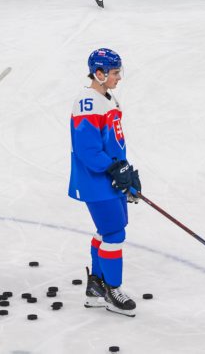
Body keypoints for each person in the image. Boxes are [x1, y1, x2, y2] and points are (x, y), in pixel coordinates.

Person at [69, 48, 140, 317]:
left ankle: (96, 289)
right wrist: (112, 168)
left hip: (111, 176)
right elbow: (87, 150)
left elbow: (113, 143)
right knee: (114, 234)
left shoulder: (108, 98)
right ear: (98, 74)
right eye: (113, 73)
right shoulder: (87, 102)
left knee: (109, 229)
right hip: (96, 179)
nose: (118, 77)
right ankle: (113, 290)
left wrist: (125, 172)